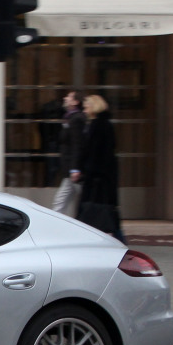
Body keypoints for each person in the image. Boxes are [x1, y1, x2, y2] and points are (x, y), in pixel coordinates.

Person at [75, 94, 125, 243]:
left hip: (98, 178)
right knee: (106, 211)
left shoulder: (98, 125)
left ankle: (115, 239)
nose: (84, 110)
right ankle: (117, 237)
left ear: (94, 107)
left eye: (86, 107)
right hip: (102, 177)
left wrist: (86, 170)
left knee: (96, 212)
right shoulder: (101, 124)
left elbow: (95, 152)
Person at [51, 89, 86, 216]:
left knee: (64, 200)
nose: (65, 98)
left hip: (73, 169)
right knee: (61, 200)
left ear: (76, 102)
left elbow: (77, 145)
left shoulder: (76, 119)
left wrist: (75, 168)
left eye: (69, 97)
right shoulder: (70, 118)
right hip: (70, 169)